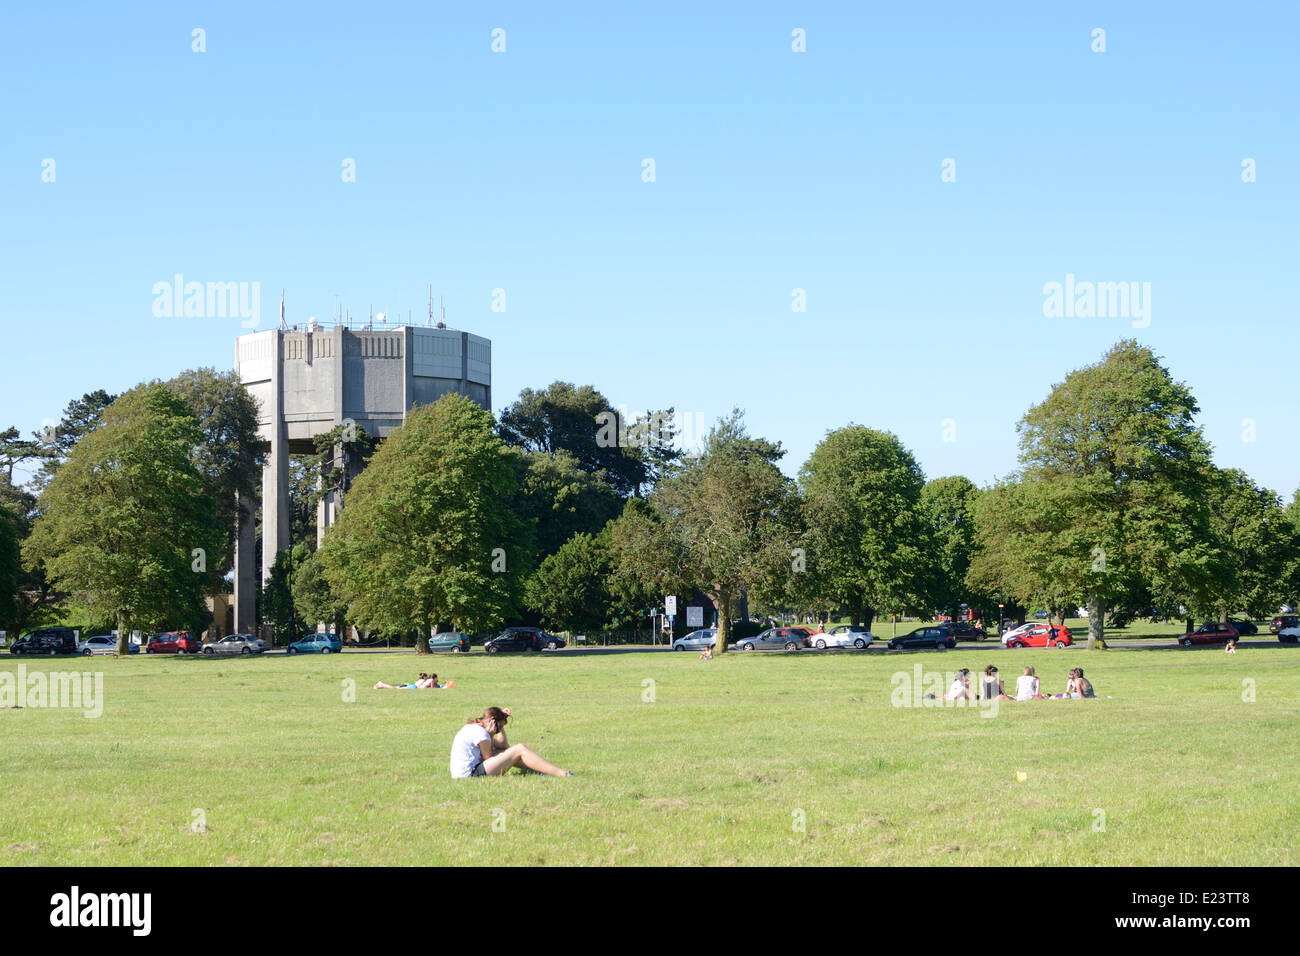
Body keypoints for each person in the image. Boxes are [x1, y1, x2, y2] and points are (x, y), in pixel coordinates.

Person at [449, 706, 572, 778]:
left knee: (508, 752)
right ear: (492, 721)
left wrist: (500, 726)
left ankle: (541, 770)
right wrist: (492, 734)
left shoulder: (475, 728)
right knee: (519, 748)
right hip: (470, 775)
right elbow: (489, 758)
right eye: (499, 727)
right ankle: (562, 774)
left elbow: (503, 746)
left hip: (466, 772)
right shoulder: (481, 734)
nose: (498, 730)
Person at [374, 673, 450, 690]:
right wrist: (443, 687)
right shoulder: (432, 680)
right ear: (435, 678)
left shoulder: (426, 680)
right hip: (413, 687)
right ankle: (381, 684)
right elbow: (433, 688)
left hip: (412, 686)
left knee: (396, 688)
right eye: (437, 678)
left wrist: (442, 685)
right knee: (395, 689)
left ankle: (380, 686)